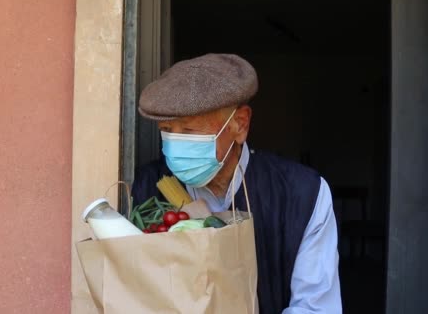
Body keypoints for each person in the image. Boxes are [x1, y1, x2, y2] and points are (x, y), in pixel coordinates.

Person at [132, 54, 342, 314]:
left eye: (189, 131)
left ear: (240, 124)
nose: (175, 144)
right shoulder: (145, 189)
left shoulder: (302, 194)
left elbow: (315, 307)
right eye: (167, 130)